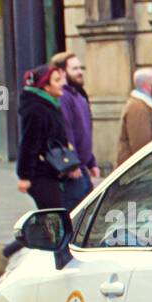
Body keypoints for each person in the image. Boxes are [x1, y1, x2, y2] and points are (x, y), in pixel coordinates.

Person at [17, 65, 81, 211]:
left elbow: (60, 140)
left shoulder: (51, 105)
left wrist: (70, 165)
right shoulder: (36, 110)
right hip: (41, 174)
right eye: (57, 80)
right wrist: (24, 176)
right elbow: (29, 144)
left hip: (54, 170)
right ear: (45, 86)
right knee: (53, 214)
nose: (63, 84)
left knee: (59, 213)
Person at [51, 51, 100, 209]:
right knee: (75, 217)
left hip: (82, 168)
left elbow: (84, 134)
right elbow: (67, 133)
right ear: (61, 72)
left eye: (80, 68)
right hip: (73, 171)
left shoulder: (78, 96)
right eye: (74, 69)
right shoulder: (63, 97)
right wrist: (72, 165)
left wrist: (91, 161)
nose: (80, 72)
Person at [117, 68, 152, 166]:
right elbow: (141, 147)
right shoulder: (138, 107)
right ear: (146, 85)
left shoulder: (143, 105)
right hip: (136, 173)